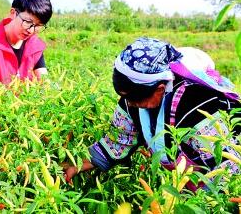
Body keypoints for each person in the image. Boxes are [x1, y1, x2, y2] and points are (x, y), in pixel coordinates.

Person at [64, 37, 241, 190]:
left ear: (160, 89)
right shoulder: (131, 100)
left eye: (134, 98)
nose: (130, 104)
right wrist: (76, 165)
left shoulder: (197, 105)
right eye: (125, 97)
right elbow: (118, 140)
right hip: (191, 187)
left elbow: (229, 169)